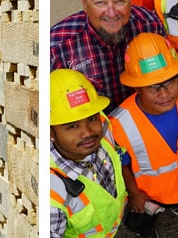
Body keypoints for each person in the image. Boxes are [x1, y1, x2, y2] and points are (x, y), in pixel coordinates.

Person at [106, 33, 178, 236]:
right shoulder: (121, 123)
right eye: (153, 86)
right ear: (136, 87)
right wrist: (134, 193)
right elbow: (121, 162)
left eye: (170, 82)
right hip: (149, 194)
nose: (165, 93)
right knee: (142, 220)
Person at [51, 0, 166, 112]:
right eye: (100, 3)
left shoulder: (149, 25)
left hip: (143, 127)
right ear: (84, 3)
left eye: (119, 1)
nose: (112, 13)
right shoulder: (57, 46)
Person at [49, 69, 127, 238]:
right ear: (50, 133)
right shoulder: (52, 196)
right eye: (72, 126)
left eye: (91, 118)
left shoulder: (105, 127)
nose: (88, 132)